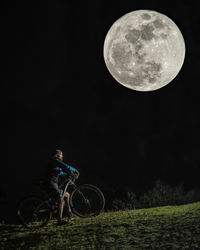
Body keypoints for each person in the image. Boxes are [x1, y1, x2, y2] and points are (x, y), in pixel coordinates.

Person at [43, 149, 80, 225]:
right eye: (61, 154)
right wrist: (76, 171)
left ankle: (70, 213)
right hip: (50, 184)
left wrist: (70, 175)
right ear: (57, 155)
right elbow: (66, 166)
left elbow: (61, 173)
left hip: (53, 184)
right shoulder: (54, 160)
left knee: (67, 195)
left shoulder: (54, 164)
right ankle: (59, 220)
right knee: (61, 200)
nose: (62, 156)